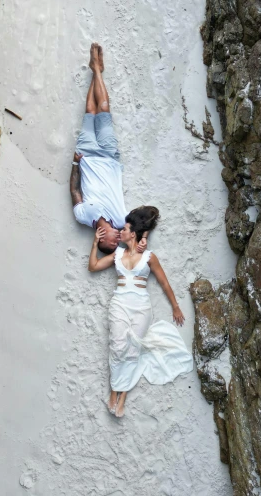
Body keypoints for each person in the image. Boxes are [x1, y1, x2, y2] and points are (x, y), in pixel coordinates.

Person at [88, 206, 192, 418]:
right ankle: (113, 392)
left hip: (141, 308)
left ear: (133, 234)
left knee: (133, 351)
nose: (120, 233)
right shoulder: (117, 254)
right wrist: (94, 244)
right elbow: (93, 266)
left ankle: (121, 398)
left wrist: (175, 306)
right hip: (119, 304)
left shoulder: (149, 257)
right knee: (117, 347)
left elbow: (163, 282)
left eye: (124, 230)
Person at [69, 43, 147, 254]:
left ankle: (96, 69)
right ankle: (96, 69)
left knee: (90, 112)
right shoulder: (122, 220)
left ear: (101, 237)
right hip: (110, 157)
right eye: (117, 243)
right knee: (104, 111)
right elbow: (147, 217)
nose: (117, 241)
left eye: (113, 242)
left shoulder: (84, 217)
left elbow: (75, 190)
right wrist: (140, 240)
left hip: (85, 156)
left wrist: (76, 163)